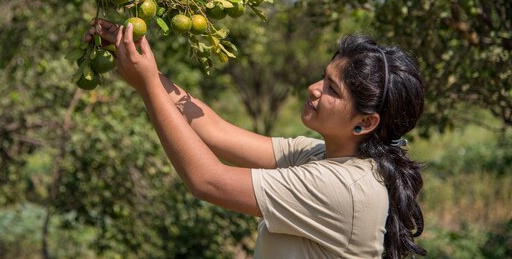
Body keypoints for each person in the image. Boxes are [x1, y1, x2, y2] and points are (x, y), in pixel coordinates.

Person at [88, 19, 427, 259]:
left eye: (331, 89)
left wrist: (147, 86)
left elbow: (208, 180)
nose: (314, 88)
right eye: (324, 77)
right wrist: (144, 66)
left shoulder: (342, 187)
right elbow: (216, 132)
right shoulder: (320, 156)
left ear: (364, 123)